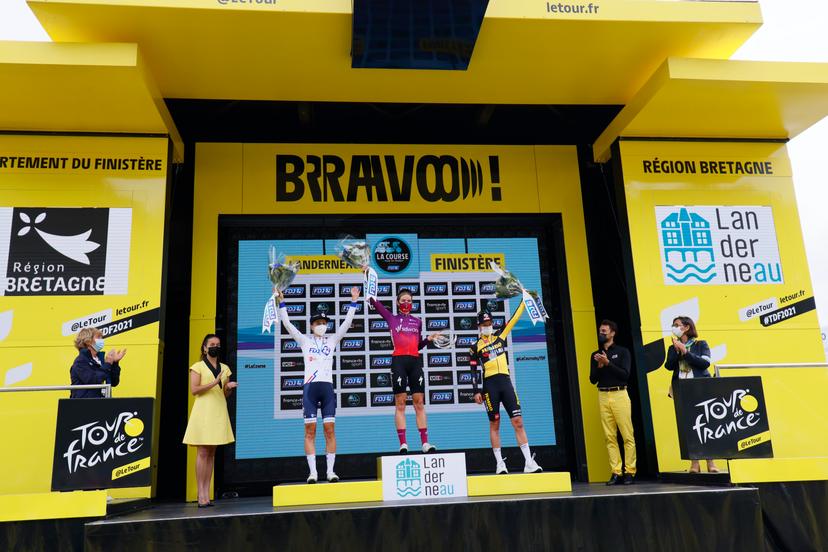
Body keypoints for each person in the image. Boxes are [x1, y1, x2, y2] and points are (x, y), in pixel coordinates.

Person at [277, 285, 360, 483]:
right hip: (310, 390)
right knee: (310, 431)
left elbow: (346, 324)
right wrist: (281, 301)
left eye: (324, 322)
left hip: (327, 389)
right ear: (312, 326)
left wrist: (354, 301)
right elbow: (287, 323)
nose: (322, 325)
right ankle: (313, 473)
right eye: (318, 322)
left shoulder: (331, 342)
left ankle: (330, 472)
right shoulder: (304, 341)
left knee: (330, 431)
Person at [469, 303, 542, 474]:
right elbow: (472, 370)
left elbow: (514, 318)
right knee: (495, 424)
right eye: (484, 325)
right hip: (489, 386)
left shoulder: (500, 336)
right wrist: (475, 391)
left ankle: (528, 463)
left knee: (518, 422)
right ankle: (499, 464)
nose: (487, 327)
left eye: (489, 324)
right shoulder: (474, 347)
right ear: (479, 326)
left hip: (506, 383)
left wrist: (524, 302)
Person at [368, 285, 439, 454]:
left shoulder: (418, 322)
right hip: (398, 362)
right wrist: (367, 277)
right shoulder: (391, 318)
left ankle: (425, 443)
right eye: (403, 300)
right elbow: (374, 302)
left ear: (412, 303)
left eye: (409, 301)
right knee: (400, 403)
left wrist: (428, 339)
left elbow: (418, 345)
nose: (406, 303)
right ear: (397, 302)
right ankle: (403, 443)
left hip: (415, 362)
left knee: (419, 403)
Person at [183, 334, 238, 507]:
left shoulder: (225, 368)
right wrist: (214, 382)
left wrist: (228, 388)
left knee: (212, 453)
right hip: (203, 412)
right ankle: (200, 494)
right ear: (205, 348)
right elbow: (194, 390)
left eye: (218, 344)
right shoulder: (197, 367)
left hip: (218, 410)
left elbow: (224, 394)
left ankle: (207, 494)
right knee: (202, 452)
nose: (215, 347)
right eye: (212, 344)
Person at [665, 316, 719, 474]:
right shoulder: (672, 347)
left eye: (677, 325)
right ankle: (694, 463)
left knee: (706, 424)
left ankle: (711, 462)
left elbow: (705, 363)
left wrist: (686, 352)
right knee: (690, 427)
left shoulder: (700, 344)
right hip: (682, 389)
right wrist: (676, 351)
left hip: (700, 388)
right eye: (673, 325)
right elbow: (668, 366)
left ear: (687, 327)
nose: (674, 327)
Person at [589, 320, 636, 485]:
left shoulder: (623, 352)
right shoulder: (596, 354)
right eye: (600, 331)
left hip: (620, 394)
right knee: (609, 437)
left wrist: (609, 363)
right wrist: (600, 366)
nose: (601, 334)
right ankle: (616, 472)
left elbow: (625, 374)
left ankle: (629, 471)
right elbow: (592, 379)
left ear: (612, 333)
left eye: (604, 331)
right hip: (603, 395)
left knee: (627, 435)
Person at [69, 327, 126, 398]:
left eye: (102, 337)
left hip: (103, 404)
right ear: (88, 341)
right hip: (85, 405)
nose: (102, 340)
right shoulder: (81, 361)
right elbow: (94, 380)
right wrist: (107, 364)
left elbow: (114, 382)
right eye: (99, 337)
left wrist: (114, 363)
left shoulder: (101, 359)